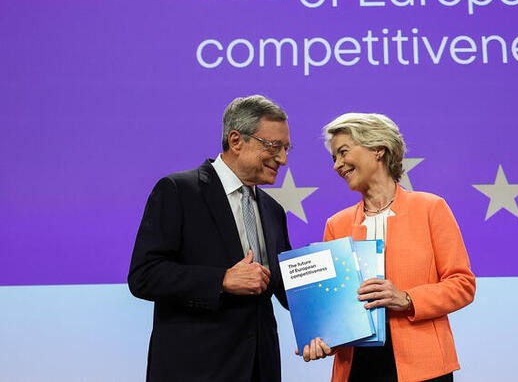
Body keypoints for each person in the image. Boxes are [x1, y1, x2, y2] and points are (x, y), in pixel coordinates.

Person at [128, 95, 293, 382]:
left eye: (286, 148)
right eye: (273, 146)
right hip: (195, 369)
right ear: (236, 140)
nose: (282, 158)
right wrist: (222, 280)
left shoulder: (272, 210)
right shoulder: (179, 191)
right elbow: (144, 275)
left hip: (260, 370)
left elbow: (286, 287)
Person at [304, 113, 476, 382]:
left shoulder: (431, 208)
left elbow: (462, 284)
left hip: (424, 368)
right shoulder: (336, 225)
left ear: (378, 150)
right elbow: (334, 309)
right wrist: (323, 339)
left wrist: (407, 299)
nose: (337, 165)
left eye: (343, 152)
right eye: (334, 158)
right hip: (357, 369)